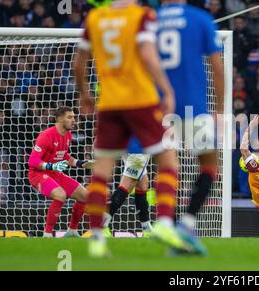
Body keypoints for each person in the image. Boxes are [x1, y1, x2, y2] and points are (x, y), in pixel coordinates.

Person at [73, 0, 183, 257]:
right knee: (168, 161)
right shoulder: (142, 15)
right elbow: (147, 53)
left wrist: (85, 95)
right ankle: (165, 223)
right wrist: (166, 89)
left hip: (109, 103)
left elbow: (79, 63)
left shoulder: (94, 19)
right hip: (140, 100)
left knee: (102, 171)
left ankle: (97, 238)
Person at [157, 0, 224, 255]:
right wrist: (218, 109)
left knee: (167, 168)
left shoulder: (150, 20)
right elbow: (217, 68)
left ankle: (171, 228)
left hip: (160, 107)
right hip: (193, 106)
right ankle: (186, 225)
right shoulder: (199, 18)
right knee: (209, 164)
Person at [28, 107, 93, 238]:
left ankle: (72, 231)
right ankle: (47, 234)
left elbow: (63, 155)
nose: (74, 120)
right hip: (38, 174)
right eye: (70, 117)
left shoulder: (68, 134)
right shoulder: (46, 136)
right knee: (60, 195)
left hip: (55, 173)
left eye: (74, 117)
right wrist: (52, 165)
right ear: (59, 119)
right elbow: (32, 161)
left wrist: (79, 163)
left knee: (85, 196)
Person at [103, 137, 153, 236]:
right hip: (138, 148)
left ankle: (147, 229)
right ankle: (102, 225)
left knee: (143, 185)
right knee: (127, 186)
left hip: (129, 144)